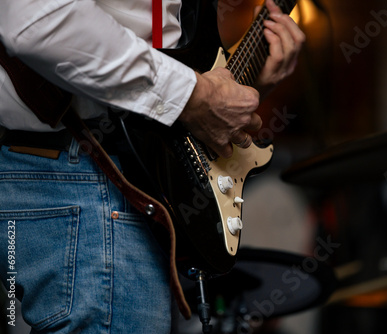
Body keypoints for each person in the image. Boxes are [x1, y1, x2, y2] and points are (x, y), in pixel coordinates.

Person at [0, 0, 305, 333]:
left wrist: (233, 95)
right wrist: (195, 96)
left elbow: (173, 58)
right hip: (90, 170)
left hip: (95, 171)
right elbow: (36, 18)